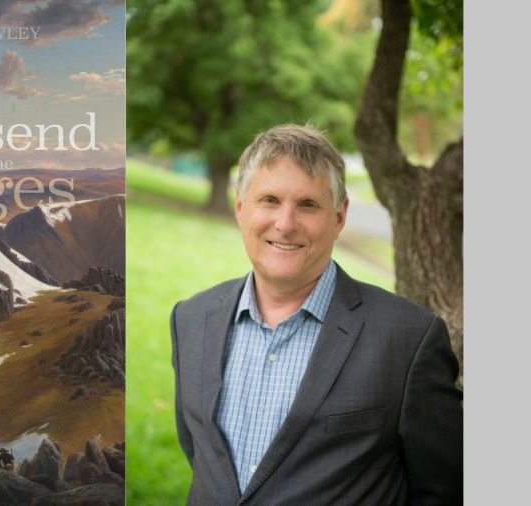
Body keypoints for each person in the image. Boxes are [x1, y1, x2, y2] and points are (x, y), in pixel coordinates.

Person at [170, 124, 462, 505]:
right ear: (241, 209)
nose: (286, 223)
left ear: (338, 218)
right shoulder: (191, 319)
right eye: (270, 200)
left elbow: (446, 490)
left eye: (308, 205)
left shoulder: (408, 339)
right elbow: (202, 455)